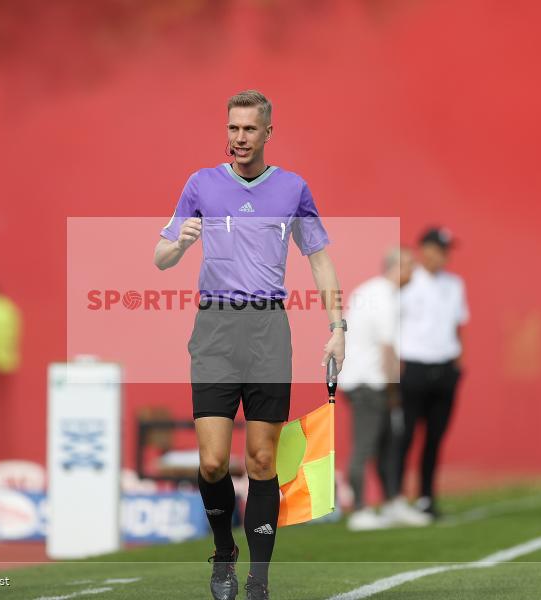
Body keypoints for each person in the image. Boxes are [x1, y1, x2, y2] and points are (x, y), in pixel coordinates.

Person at [154, 90, 344, 600]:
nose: (239, 138)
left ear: (267, 133)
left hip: (268, 331)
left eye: (249, 129)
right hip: (215, 329)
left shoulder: (293, 189)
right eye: (233, 128)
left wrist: (338, 327)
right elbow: (160, 257)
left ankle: (258, 580)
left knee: (262, 461)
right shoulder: (201, 184)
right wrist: (180, 243)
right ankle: (224, 551)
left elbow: (319, 259)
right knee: (213, 461)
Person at [339, 247, 431, 530]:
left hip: (363, 379)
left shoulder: (372, 292)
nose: (414, 271)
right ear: (396, 268)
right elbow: (387, 349)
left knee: (389, 444)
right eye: (410, 265)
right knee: (366, 446)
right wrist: (394, 391)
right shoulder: (384, 297)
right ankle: (360, 510)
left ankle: (392, 503)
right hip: (368, 382)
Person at [397, 226, 469, 519]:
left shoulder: (454, 284)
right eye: (438, 249)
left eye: (446, 250)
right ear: (424, 250)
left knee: (435, 437)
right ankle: (396, 498)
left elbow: (458, 326)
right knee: (404, 435)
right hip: (413, 364)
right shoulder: (407, 281)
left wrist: (458, 364)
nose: (443, 256)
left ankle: (427, 497)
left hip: (444, 366)